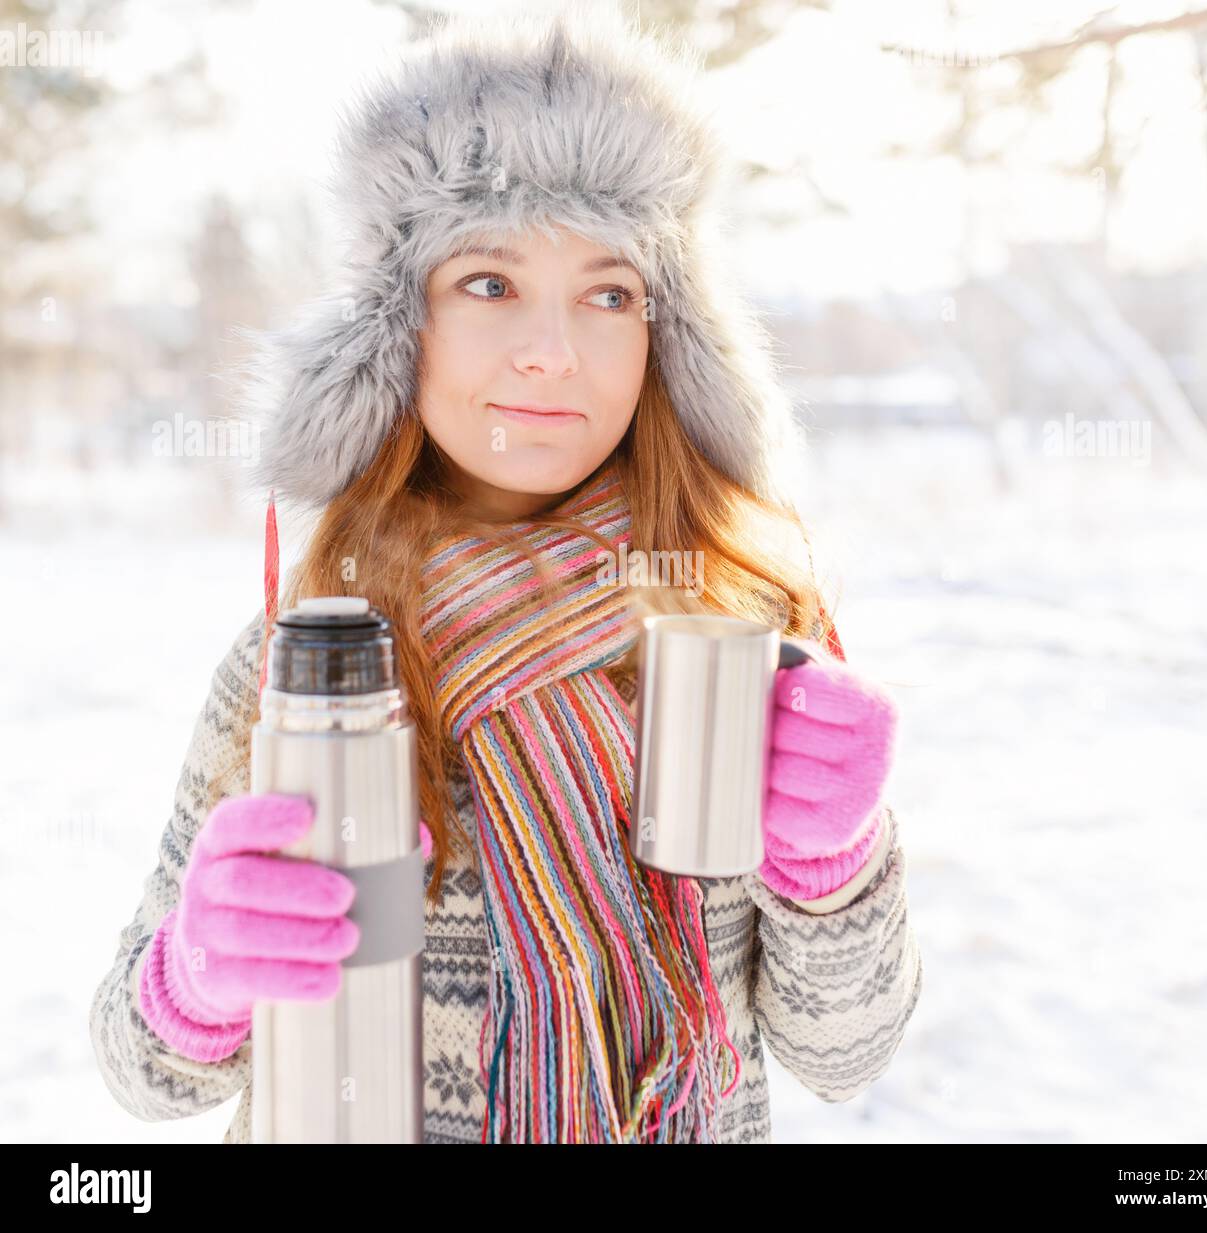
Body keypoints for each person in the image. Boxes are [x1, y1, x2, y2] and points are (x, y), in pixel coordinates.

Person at [89, 3, 922, 1144]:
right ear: (399, 330)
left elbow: (844, 1052)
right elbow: (146, 1079)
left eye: (610, 292)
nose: (554, 349)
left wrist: (832, 860)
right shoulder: (313, 665)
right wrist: (201, 974)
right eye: (489, 283)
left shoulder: (740, 636)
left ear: (666, 338)